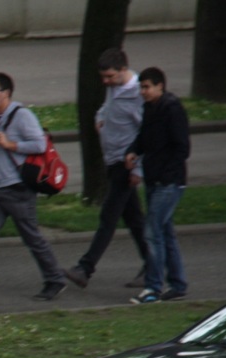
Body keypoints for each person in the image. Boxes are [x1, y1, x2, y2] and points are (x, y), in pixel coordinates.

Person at [0, 72, 67, 304]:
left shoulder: (22, 116)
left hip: (17, 190)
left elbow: (39, 143)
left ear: (6, 93)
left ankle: (55, 279)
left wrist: (11, 144)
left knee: (32, 238)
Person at [63, 49, 148, 289]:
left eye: (109, 76)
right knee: (134, 220)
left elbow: (147, 133)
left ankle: (85, 268)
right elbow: (107, 107)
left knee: (108, 217)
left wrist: (138, 169)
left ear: (124, 70)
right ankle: (152, 265)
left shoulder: (137, 94)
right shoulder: (115, 88)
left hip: (126, 163)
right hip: (113, 160)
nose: (105, 82)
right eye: (103, 77)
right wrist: (100, 117)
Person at [126, 66, 191, 304]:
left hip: (168, 182)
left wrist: (167, 174)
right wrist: (133, 151)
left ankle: (153, 288)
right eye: (141, 87)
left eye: (146, 87)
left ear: (160, 86)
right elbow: (144, 137)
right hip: (155, 180)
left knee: (152, 232)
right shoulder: (150, 108)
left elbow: (182, 147)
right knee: (165, 233)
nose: (143, 92)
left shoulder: (172, 109)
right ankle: (177, 284)